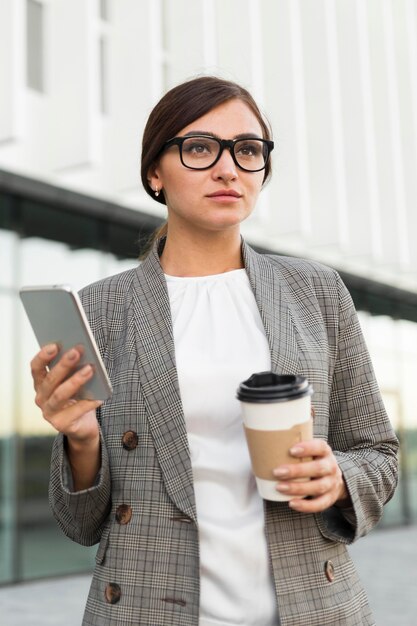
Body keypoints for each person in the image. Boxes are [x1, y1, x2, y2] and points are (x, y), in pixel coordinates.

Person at [30, 76, 398, 626]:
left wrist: (339, 476)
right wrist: (80, 440)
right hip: (146, 608)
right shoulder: (102, 309)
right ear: (155, 172)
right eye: (199, 148)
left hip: (312, 608)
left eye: (247, 150)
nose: (228, 168)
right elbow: (81, 524)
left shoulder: (316, 291)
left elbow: (377, 453)